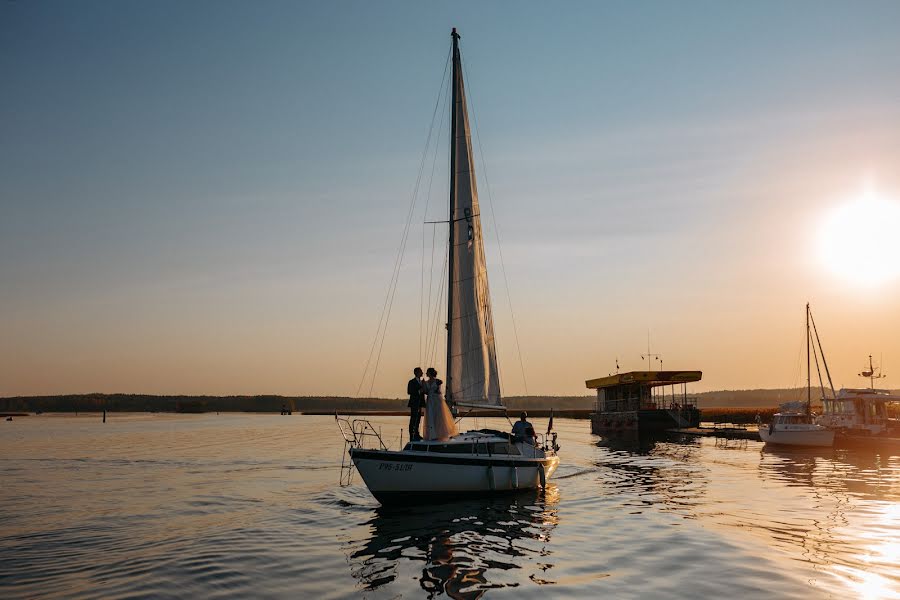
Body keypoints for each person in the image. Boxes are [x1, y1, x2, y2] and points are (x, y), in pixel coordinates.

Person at [422, 367, 459, 441]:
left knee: (439, 417)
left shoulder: (438, 381)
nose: (426, 373)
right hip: (430, 400)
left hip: (437, 400)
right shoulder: (426, 382)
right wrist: (424, 386)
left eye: (427, 372)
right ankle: (432, 435)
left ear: (431, 373)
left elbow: (439, 391)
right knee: (430, 417)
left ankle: (440, 433)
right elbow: (425, 391)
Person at [407, 367, 425, 441]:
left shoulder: (421, 382)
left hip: (420, 403)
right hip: (414, 403)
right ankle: (412, 435)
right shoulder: (411, 381)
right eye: (421, 371)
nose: (422, 373)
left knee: (418, 419)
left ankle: (417, 434)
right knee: (413, 419)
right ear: (416, 372)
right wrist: (419, 389)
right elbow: (409, 391)